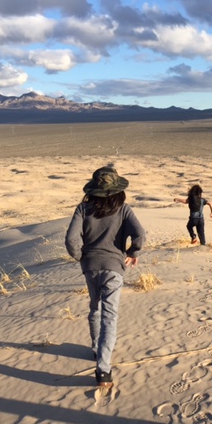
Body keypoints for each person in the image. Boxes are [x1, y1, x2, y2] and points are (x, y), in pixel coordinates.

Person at [65, 166, 145, 388]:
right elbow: (140, 234)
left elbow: (71, 241)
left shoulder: (83, 209)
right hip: (114, 268)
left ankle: (95, 348)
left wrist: (82, 257)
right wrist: (133, 253)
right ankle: (103, 369)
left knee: (95, 307)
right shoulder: (124, 210)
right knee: (109, 315)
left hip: (90, 266)